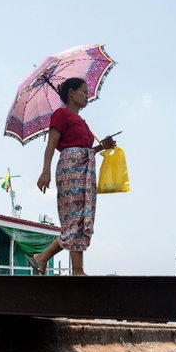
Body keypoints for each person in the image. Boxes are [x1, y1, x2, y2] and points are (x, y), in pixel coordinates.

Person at [33, 78, 116, 276]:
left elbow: (86, 149)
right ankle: (75, 270)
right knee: (73, 217)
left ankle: (46, 259)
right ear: (71, 93)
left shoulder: (83, 123)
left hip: (84, 168)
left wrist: (102, 146)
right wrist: (45, 171)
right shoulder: (61, 114)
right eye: (83, 91)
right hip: (71, 168)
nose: (86, 95)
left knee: (81, 218)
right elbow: (51, 144)